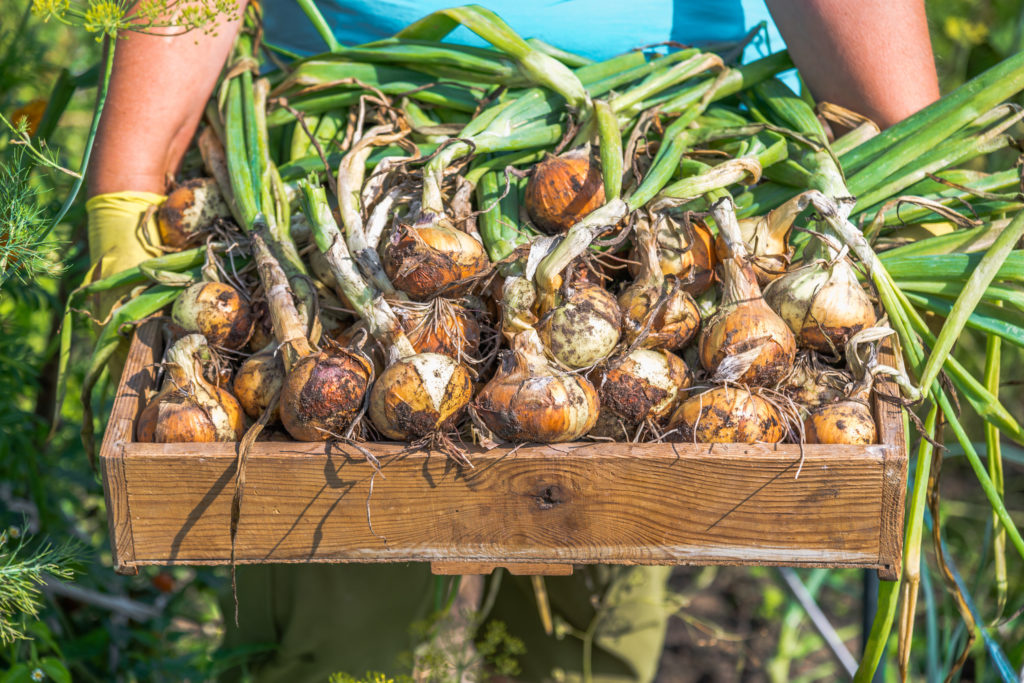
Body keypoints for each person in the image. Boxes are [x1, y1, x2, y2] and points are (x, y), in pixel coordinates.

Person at [86, 1, 939, 680]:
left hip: (667, 153)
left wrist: (906, 165)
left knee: (589, 630)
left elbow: (882, 89)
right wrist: (129, 179)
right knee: (337, 634)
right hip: (359, 113)